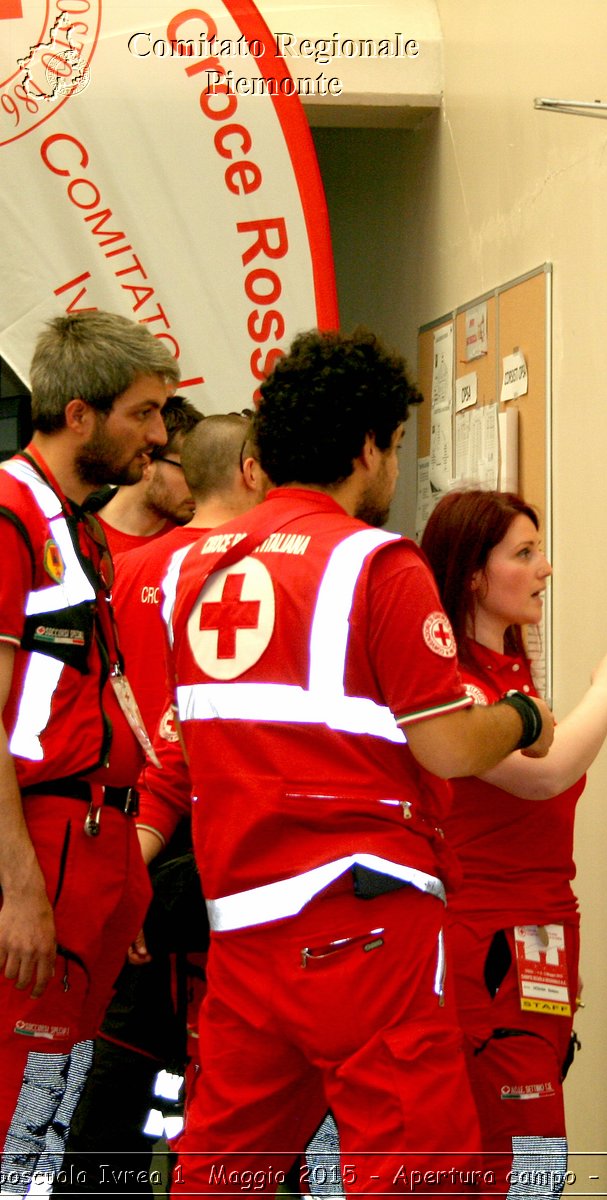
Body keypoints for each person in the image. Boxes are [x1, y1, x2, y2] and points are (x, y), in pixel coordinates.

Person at [142, 328, 554, 1197]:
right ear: (370, 448)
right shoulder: (376, 564)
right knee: (413, 1171)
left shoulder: (195, 571)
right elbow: (444, 743)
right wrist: (519, 715)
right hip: (365, 923)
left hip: (246, 925)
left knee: (223, 1172)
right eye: (397, 447)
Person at [53, 412, 269, 1198]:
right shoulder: (253, 572)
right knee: (198, 1085)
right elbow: (182, 742)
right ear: (250, 471)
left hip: (127, 841)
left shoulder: (128, 572)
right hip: (206, 857)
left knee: (124, 1080)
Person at [420, 489, 607, 1199]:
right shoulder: (453, 687)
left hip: (541, 937)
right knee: (521, 1159)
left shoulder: (511, 672)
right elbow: (543, 778)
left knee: (530, 1151)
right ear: (473, 577)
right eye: (524, 554)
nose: (545, 569)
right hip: (481, 943)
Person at [0, 310, 180, 1189]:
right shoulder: (10, 513)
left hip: (99, 846)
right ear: (80, 415)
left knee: (56, 1094)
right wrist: (21, 888)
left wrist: (129, 876)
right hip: (41, 846)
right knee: (19, 1101)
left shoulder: (83, 528)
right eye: (144, 414)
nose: (158, 436)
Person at [93, 395, 204, 559]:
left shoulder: (199, 544)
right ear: (146, 463)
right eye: (188, 470)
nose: (199, 485)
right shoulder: (75, 535)